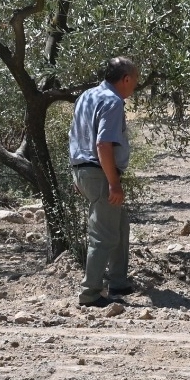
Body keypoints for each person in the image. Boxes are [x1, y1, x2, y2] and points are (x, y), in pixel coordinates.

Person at [69, 56, 139, 307]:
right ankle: (90, 293)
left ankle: (118, 281)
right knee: (104, 235)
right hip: (100, 173)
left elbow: (75, 135)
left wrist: (78, 174)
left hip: (84, 170)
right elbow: (102, 144)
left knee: (119, 225)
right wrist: (113, 183)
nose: (135, 85)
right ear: (126, 79)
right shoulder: (112, 101)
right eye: (135, 80)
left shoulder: (86, 96)